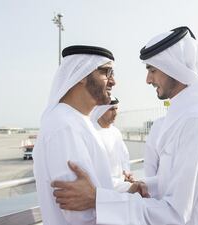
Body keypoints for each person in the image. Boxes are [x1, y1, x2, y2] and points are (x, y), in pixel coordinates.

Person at [51, 26, 198, 225]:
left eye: (152, 70)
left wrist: (98, 200)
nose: (148, 79)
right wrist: (140, 186)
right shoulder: (190, 114)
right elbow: (179, 181)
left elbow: (174, 214)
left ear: (174, 68)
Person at [33, 45, 141, 224]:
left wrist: (128, 190)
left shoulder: (79, 121)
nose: (113, 82)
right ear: (82, 74)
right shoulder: (64, 126)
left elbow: (95, 189)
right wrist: (133, 204)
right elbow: (82, 215)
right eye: (107, 72)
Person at [90, 96, 134, 192]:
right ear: (100, 110)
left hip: (120, 185)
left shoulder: (115, 132)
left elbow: (124, 157)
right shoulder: (91, 132)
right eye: (111, 109)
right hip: (101, 189)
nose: (115, 113)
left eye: (116, 109)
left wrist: (126, 173)